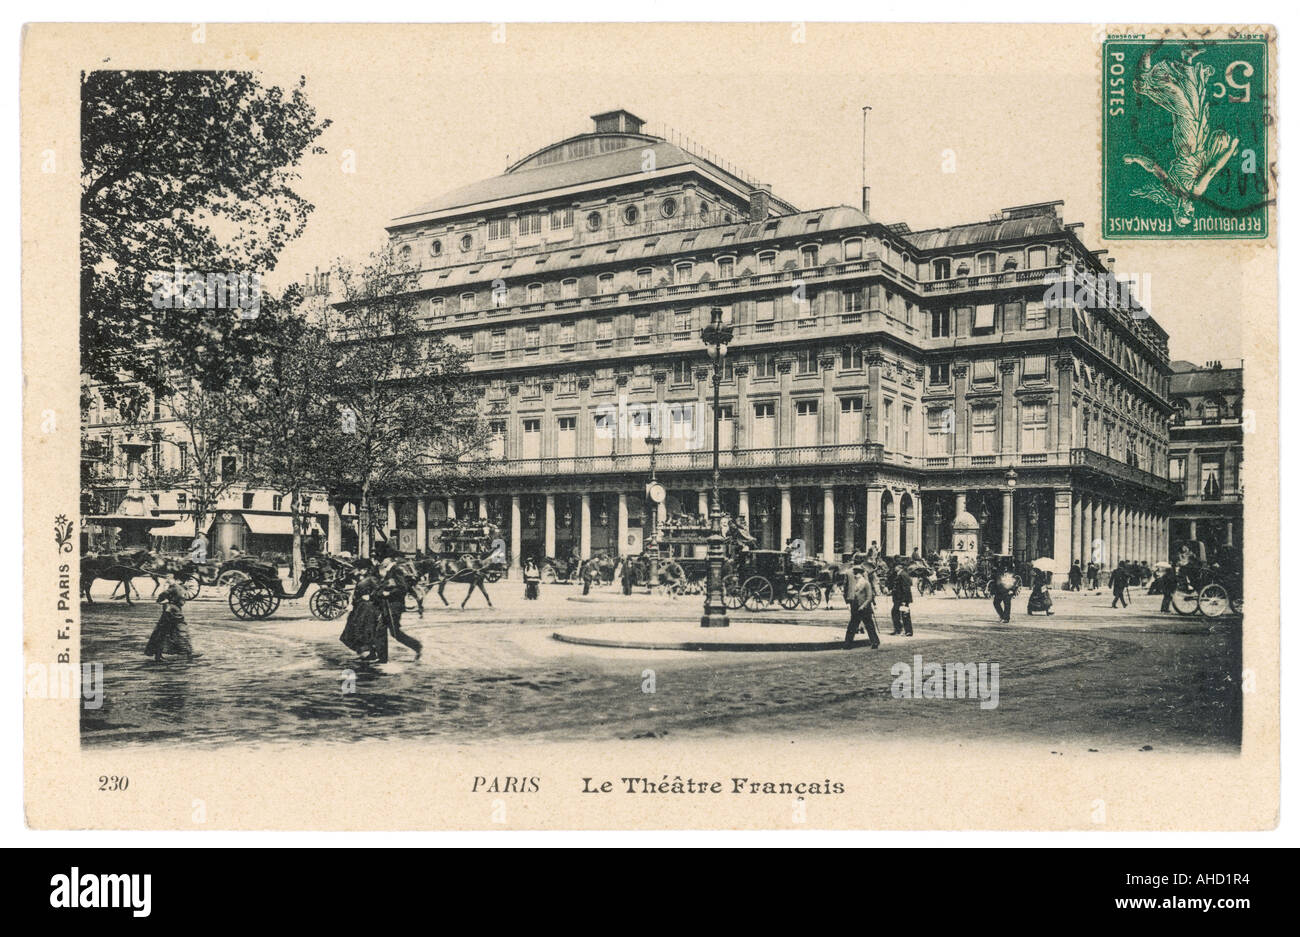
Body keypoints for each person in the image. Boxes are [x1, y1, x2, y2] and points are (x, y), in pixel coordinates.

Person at [376, 556, 422, 662]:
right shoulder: (390, 570)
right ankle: (382, 658)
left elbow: (403, 588)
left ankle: (417, 646)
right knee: (381, 630)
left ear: (390, 560)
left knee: (394, 633)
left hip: (395, 606)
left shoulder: (396, 570)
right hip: (389, 605)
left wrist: (389, 593)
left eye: (384, 559)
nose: (382, 562)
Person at [144, 575, 195, 662]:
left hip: (173, 611)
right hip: (172, 611)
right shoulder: (175, 588)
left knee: (164, 632)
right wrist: (164, 601)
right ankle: (186, 652)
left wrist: (162, 601)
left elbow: (162, 596)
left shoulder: (178, 588)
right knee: (175, 631)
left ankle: (160, 654)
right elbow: (163, 595)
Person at [339, 559, 383, 660]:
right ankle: (366, 653)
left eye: (360, 569)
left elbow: (380, 591)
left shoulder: (372, 579)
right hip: (360, 608)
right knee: (355, 630)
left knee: (364, 631)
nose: (358, 571)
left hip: (368, 609)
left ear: (366, 569)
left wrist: (371, 596)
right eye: (359, 569)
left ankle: (369, 654)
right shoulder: (363, 578)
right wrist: (352, 604)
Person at [842, 561, 879, 648]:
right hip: (856, 607)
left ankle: (875, 642)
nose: (855, 575)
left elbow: (869, 597)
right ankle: (847, 644)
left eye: (857, 574)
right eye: (855, 573)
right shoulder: (856, 584)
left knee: (869, 625)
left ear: (861, 574)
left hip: (864, 608)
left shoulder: (866, 583)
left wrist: (864, 606)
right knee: (852, 626)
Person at [890, 563, 914, 636]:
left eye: (895, 566)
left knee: (904, 614)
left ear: (899, 567)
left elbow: (906, 588)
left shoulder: (903, 575)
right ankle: (899, 630)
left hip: (902, 599)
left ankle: (907, 631)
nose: (894, 568)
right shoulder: (902, 574)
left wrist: (904, 600)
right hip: (899, 598)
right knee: (896, 613)